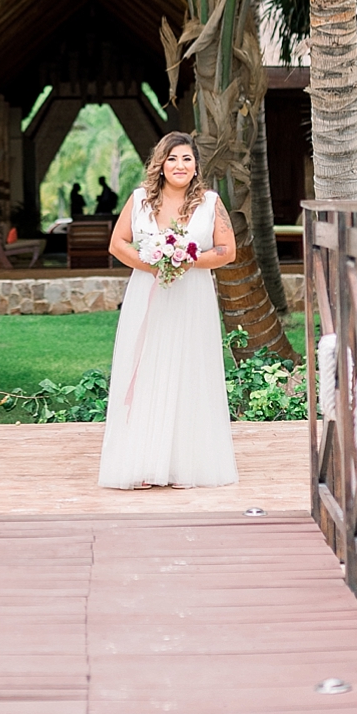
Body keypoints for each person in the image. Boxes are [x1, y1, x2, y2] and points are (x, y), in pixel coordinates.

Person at [98, 132, 238, 489]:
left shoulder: (210, 202)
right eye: (173, 159)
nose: (180, 166)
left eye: (187, 159)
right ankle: (142, 463)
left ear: (196, 166)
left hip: (193, 298)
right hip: (148, 294)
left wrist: (187, 262)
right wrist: (155, 265)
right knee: (145, 369)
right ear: (160, 164)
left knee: (190, 371)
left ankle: (185, 466)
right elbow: (117, 243)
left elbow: (227, 250)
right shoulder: (140, 200)